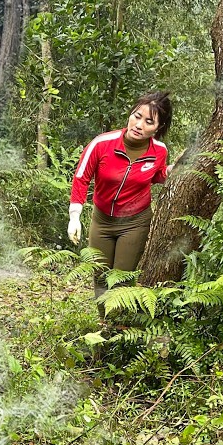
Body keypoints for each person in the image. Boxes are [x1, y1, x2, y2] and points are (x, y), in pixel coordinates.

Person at [67, 91, 172, 299]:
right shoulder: (102, 143)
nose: (139, 124)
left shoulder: (159, 150)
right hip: (102, 220)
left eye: (148, 121)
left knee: (122, 279)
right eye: (136, 116)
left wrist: (168, 173)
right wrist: (74, 216)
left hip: (135, 223)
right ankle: (104, 326)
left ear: (157, 128)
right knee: (100, 276)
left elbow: (155, 176)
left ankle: (119, 327)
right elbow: (81, 178)